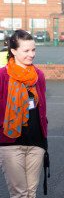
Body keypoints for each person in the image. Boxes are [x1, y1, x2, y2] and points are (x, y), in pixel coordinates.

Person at [0, 30, 48, 197]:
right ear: (13, 51)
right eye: (26, 51)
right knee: (19, 194)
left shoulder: (39, 75)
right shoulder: (2, 76)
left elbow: (41, 108)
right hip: (10, 143)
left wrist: (44, 137)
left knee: (31, 193)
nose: (31, 54)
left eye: (33, 50)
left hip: (36, 142)